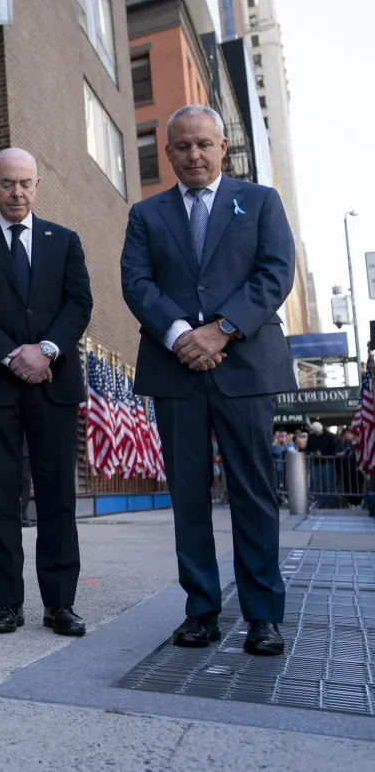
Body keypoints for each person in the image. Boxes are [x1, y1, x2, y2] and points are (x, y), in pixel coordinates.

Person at [120, 104, 296, 657]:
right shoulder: (146, 214)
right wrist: (181, 336)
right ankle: (201, 612)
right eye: (182, 146)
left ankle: (262, 616)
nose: (193, 154)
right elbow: (136, 281)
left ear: (223, 148)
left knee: (252, 494)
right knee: (189, 498)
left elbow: (276, 271)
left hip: (243, 369)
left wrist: (220, 331)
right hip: (177, 372)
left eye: (203, 144)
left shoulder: (261, 202)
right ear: (167, 152)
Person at [0, 148, 93, 636]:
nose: (17, 192)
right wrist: (15, 356)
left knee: (57, 498)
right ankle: (6, 603)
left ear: (36, 186)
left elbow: (79, 303)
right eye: (7, 183)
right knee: (1, 499)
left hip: (54, 385)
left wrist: (46, 350)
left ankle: (60, 604)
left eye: (25, 183)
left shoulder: (65, 241)